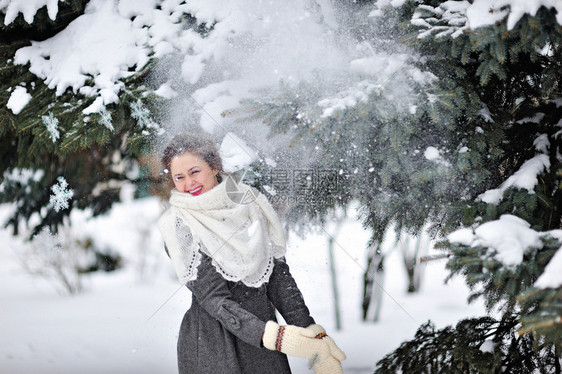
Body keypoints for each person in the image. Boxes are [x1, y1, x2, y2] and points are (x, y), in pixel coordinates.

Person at [158, 133, 346, 374]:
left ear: (214, 166)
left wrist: (313, 334)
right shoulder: (178, 225)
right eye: (179, 177)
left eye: (195, 172)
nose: (188, 183)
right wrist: (275, 337)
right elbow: (215, 300)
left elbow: (278, 279)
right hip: (214, 345)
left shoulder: (251, 205)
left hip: (264, 339)